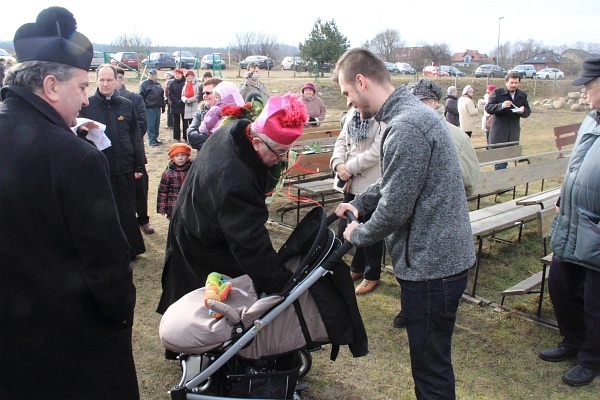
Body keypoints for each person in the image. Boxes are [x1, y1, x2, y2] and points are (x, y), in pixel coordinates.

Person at [0, 7, 138, 398]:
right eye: (81, 87)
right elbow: (106, 260)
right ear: (51, 85)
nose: (85, 100)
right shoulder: (76, 156)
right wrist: (119, 312)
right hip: (72, 341)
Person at [332, 48, 475, 399]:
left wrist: (358, 232)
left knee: (430, 368)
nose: (350, 103)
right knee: (432, 361)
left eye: (348, 93)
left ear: (361, 82)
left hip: (432, 267)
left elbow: (395, 209)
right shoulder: (408, 118)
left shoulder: (406, 127)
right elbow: (396, 181)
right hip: (438, 262)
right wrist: (360, 202)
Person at [157, 93, 308, 318]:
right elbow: (250, 245)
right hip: (202, 248)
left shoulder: (239, 129)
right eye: (279, 152)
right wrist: (284, 286)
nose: (283, 159)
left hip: (196, 224)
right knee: (203, 318)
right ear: (256, 142)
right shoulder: (237, 183)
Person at [538, 55, 600, 387]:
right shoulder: (592, 119)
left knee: (595, 302)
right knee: (560, 285)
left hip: (596, 230)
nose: (585, 93)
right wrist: (566, 195)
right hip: (574, 220)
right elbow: (577, 166)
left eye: (589, 86)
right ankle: (572, 341)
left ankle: (591, 359)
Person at [79, 64, 146, 258]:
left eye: (109, 80)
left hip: (125, 167)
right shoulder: (87, 105)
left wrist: (138, 164)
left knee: (127, 211)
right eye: (101, 80)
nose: (105, 84)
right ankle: (108, 251)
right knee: (104, 212)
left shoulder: (127, 104)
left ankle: (131, 250)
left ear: (116, 80)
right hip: (100, 168)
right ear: (96, 80)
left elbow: (135, 137)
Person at [330, 107, 384, 295]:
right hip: (351, 183)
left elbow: (377, 150)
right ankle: (357, 267)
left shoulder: (381, 115)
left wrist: (349, 167)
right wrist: (338, 164)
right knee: (348, 226)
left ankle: (372, 274)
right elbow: (341, 141)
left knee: (371, 231)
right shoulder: (353, 113)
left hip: (371, 182)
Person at [116, 67, 154, 235]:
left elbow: (142, 126)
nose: (109, 82)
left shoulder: (134, 99)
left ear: (121, 79)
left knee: (140, 187)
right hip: (112, 156)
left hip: (133, 153)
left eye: (114, 78)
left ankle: (143, 219)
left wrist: (122, 136)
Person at [485, 71, 531, 169]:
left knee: (507, 160)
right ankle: (499, 182)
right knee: (500, 162)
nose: (514, 85)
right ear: (506, 82)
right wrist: (501, 106)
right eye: (511, 82)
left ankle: (504, 181)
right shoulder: (497, 93)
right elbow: (488, 108)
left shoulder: (522, 95)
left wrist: (522, 111)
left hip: (513, 133)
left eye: (516, 83)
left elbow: (528, 111)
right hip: (499, 134)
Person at [157, 143, 193, 219]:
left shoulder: (192, 170)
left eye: (183, 155)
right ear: (172, 157)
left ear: (187, 156)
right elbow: (162, 192)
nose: (180, 158)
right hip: (173, 205)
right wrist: (162, 208)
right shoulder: (168, 173)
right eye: (177, 156)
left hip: (190, 204)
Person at [187, 77, 223, 150]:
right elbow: (192, 137)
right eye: (203, 93)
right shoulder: (200, 114)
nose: (204, 95)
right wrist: (220, 142)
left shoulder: (232, 114)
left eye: (208, 93)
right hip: (204, 159)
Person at [139, 68, 165, 146]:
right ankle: (151, 140)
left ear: (156, 75)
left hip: (157, 107)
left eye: (153, 74)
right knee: (151, 124)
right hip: (149, 107)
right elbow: (141, 96)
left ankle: (155, 138)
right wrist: (142, 107)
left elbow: (161, 96)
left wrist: (163, 106)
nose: (152, 76)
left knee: (157, 124)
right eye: (150, 74)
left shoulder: (158, 84)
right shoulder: (144, 84)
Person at [168, 68, 186, 141]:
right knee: (176, 122)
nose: (177, 75)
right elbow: (170, 93)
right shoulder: (172, 83)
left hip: (184, 105)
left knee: (185, 122)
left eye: (178, 74)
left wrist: (182, 100)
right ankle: (177, 137)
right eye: (176, 74)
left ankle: (185, 137)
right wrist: (176, 101)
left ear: (182, 74)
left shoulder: (185, 82)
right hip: (175, 105)